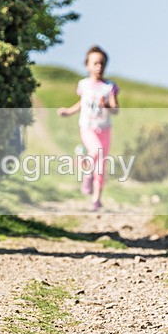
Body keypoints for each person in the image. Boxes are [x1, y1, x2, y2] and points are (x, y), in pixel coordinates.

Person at [57, 45, 119, 211]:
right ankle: (86, 175)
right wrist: (69, 111)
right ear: (88, 66)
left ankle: (96, 198)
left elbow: (115, 109)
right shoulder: (83, 85)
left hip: (104, 129)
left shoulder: (109, 87)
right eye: (96, 63)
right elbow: (82, 104)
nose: (99, 67)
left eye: (102, 63)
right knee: (96, 151)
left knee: (101, 166)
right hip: (87, 127)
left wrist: (105, 104)